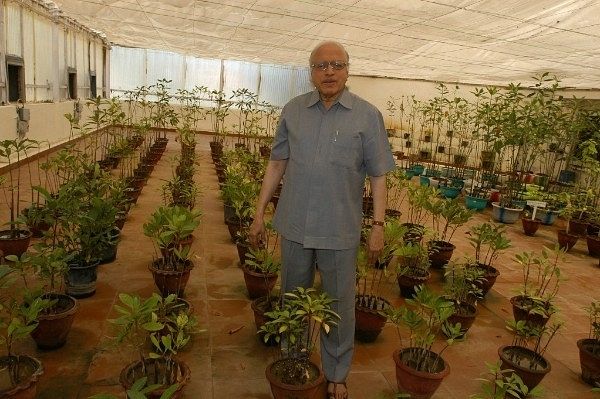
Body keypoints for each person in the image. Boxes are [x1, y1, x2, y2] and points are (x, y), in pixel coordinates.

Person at [249, 41, 395, 399]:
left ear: (348, 69)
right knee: (293, 297)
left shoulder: (367, 116)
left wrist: (377, 227)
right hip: (295, 225)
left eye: (336, 64)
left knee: (339, 306)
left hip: (340, 230)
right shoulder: (294, 111)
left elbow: (378, 175)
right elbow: (277, 163)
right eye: (321, 65)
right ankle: (295, 359)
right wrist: (258, 211)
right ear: (310, 72)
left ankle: (336, 374)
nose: (329, 71)